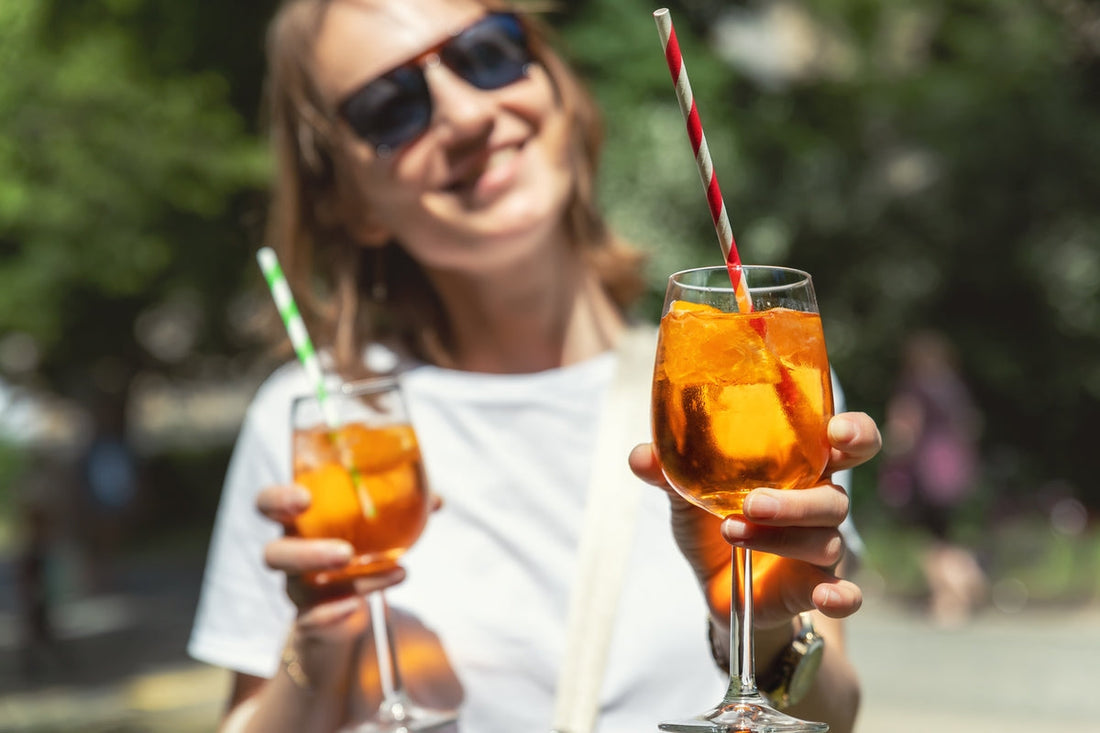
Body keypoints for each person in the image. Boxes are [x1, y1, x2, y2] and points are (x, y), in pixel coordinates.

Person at [187, 1, 882, 731]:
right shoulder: (318, 418)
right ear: (348, 199)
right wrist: (321, 641)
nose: (464, 115)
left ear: (559, 89)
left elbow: (837, 718)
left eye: (487, 54)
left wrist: (762, 632)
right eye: (389, 107)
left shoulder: (740, 387)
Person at [878, 329, 987, 626]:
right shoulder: (953, 387)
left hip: (925, 472)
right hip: (954, 470)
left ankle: (957, 588)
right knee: (944, 534)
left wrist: (891, 458)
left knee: (929, 540)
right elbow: (969, 426)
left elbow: (903, 428)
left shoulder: (914, 387)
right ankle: (958, 591)